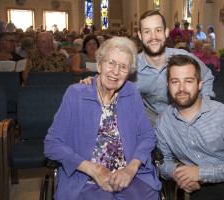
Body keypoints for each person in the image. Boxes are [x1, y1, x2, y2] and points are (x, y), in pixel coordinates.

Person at [44, 37, 161, 200]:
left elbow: (147, 136)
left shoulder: (131, 93)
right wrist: (94, 170)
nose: (115, 71)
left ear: (129, 73)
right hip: (85, 179)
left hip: (130, 177)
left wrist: (130, 169)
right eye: (111, 63)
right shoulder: (76, 94)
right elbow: (52, 144)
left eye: (123, 67)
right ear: (99, 64)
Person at [155, 54, 224, 200]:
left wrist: (201, 173)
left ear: (200, 84)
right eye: (175, 81)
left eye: (188, 81)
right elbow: (163, 163)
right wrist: (180, 173)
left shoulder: (223, 115)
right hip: (200, 189)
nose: (181, 88)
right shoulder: (163, 122)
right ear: (168, 85)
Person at [81, 10, 214, 126]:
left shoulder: (184, 58)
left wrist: (203, 107)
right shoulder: (132, 65)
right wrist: (93, 82)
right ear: (140, 35)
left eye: (158, 30)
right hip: (152, 121)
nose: (153, 37)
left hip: (184, 117)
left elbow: (207, 76)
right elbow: (112, 78)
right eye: (147, 31)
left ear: (166, 32)